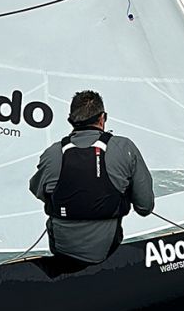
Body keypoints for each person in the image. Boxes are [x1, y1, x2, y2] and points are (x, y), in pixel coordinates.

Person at [30, 90, 154, 266]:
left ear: (71, 120)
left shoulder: (51, 154)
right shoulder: (124, 147)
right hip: (108, 251)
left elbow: (38, 191)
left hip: (61, 249)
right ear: (102, 118)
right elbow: (145, 207)